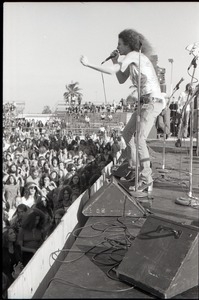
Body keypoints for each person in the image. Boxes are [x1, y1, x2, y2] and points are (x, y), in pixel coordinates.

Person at [80, 28, 164, 191]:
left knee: (139, 139)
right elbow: (120, 78)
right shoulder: (132, 58)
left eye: (120, 44)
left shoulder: (134, 55)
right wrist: (115, 60)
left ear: (128, 44)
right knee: (126, 138)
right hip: (143, 103)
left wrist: (88, 64)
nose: (117, 46)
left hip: (151, 102)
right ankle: (134, 169)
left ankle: (146, 178)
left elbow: (112, 73)